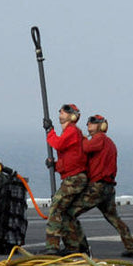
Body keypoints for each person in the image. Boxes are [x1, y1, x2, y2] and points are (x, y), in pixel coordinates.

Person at [75, 114, 133, 259]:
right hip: (108, 187)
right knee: (114, 218)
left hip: (98, 187)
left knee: (69, 213)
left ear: (101, 126)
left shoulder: (99, 138)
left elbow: (84, 148)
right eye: (88, 123)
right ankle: (132, 247)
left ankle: (80, 248)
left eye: (92, 123)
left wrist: (78, 136)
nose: (88, 125)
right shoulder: (109, 142)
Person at [43, 103, 90, 255]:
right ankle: (76, 247)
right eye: (60, 111)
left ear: (72, 116)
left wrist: (50, 131)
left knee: (56, 209)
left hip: (74, 178)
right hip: (74, 176)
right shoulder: (71, 133)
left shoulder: (72, 131)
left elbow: (58, 144)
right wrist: (55, 165)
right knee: (67, 213)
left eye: (63, 112)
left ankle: (52, 247)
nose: (60, 113)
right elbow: (70, 159)